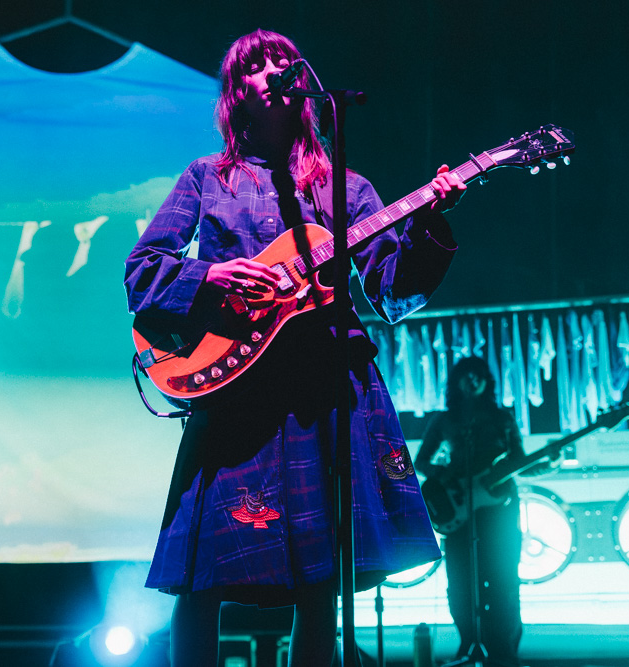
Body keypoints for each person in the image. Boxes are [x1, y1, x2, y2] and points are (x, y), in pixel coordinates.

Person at [123, 29, 467, 667]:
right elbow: (143, 268)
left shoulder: (346, 190)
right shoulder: (207, 178)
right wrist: (211, 275)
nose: (276, 69)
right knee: (204, 578)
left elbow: (391, 292)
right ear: (238, 95)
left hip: (321, 390)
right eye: (257, 66)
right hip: (234, 390)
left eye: (283, 60)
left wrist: (430, 222)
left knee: (320, 588)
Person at [415, 356, 557, 667]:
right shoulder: (444, 420)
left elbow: (520, 463)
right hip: (460, 510)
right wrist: (445, 477)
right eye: (466, 376)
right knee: (462, 582)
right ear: (456, 383)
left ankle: (504, 651)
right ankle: (470, 644)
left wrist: (549, 463)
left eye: (477, 375)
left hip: (500, 511)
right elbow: (420, 462)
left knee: (503, 579)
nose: (472, 380)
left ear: (486, 380)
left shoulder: (502, 417)